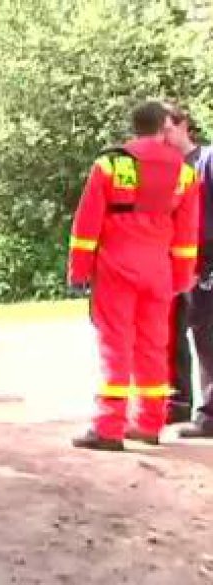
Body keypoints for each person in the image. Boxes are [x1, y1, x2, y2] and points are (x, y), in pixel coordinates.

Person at [68, 101, 200, 451]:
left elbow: (86, 225)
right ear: (163, 127)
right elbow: (187, 235)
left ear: (135, 127)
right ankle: (149, 423)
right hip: (159, 271)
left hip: (116, 269)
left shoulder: (110, 164)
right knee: (154, 346)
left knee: (116, 344)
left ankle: (109, 427)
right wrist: (182, 277)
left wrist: (79, 271)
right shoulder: (186, 174)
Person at [164, 105, 213, 437]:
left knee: (206, 335)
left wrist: (205, 261)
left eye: (166, 128)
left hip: (202, 262)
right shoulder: (160, 167)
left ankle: (209, 415)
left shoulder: (206, 160)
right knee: (169, 334)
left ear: (183, 126)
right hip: (166, 264)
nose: (162, 136)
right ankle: (175, 403)